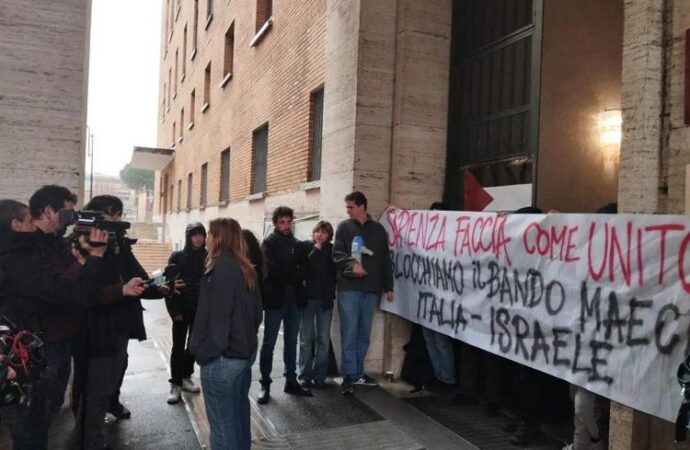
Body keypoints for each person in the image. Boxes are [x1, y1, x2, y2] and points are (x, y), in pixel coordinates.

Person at [70, 195, 164, 449]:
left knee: (105, 389)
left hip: (118, 329)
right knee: (92, 396)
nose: (117, 222)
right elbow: (85, 293)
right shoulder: (80, 244)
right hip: (94, 335)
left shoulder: (119, 244)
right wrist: (97, 255)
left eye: (119, 216)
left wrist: (160, 289)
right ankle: (89, 442)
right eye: (112, 216)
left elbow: (138, 277)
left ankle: (91, 438)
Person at [188, 218, 263, 450]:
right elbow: (257, 314)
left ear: (219, 238)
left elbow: (219, 318)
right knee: (238, 417)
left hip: (223, 358)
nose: (206, 238)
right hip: (242, 354)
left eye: (210, 233)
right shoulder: (244, 266)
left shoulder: (221, 267)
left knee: (222, 428)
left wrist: (204, 352)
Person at [333, 191, 394, 395]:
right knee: (349, 333)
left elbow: (386, 259)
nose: (347, 210)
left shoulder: (378, 230)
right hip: (349, 289)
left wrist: (389, 287)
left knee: (364, 334)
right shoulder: (343, 227)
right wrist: (352, 264)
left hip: (370, 289)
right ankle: (349, 375)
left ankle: (359, 371)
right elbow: (337, 254)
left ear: (361, 206)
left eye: (350, 206)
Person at [257, 206, 311, 404]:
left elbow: (304, 270)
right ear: (275, 223)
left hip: (294, 302)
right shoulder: (268, 244)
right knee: (269, 344)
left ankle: (291, 381)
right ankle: (265, 383)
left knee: (291, 343)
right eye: (282, 222)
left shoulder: (297, 244)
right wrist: (294, 271)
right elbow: (273, 271)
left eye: (289, 221)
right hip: (275, 302)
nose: (286, 225)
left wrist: (293, 271)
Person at [165, 222, 207, 404]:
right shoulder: (178, 256)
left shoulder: (208, 256)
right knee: (178, 346)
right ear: (189, 237)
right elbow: (168, 285)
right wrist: (174, 311)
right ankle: (175, 383)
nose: (198, 238)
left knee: (193, 345)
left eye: (201, 235)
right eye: (194, 235)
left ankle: (186, 377)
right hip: (181, 309)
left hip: (200, 309)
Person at [420, 202, 457, 389]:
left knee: (442, 341)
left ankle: (447, 379)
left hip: (445, 299)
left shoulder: (453, 237)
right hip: (428, 297)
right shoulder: (427, 235)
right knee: (430, 338)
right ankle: (439, 375)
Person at [297, 221, 336, 388]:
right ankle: (304, 374)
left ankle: (320, 375)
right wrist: (315, 250)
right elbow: (303, 269)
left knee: (323, 339)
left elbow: (334, 274)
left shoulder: (332, 250)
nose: (320, 235)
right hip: (307, 299)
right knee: (305, 338)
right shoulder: (306, 247)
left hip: (325, 300)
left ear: (329, 235)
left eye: (324, 232)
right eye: (318, 231)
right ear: (313, 232)